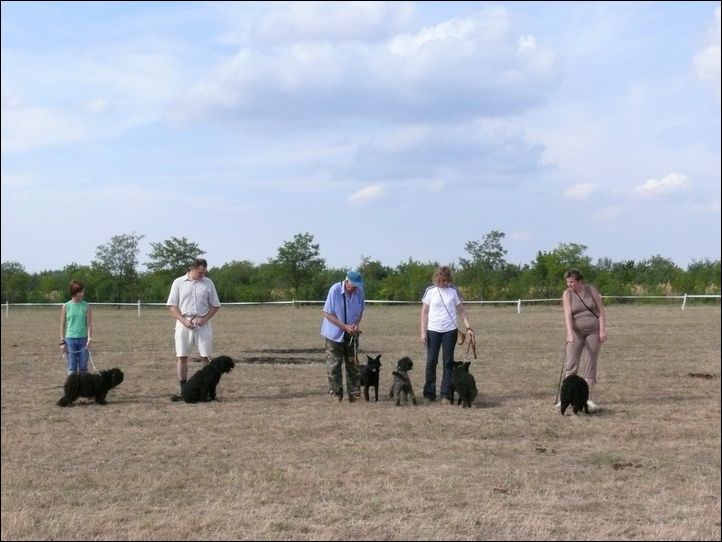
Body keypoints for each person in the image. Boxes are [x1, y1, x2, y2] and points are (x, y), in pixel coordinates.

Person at [420, 265, 474, 405]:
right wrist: (423, 332)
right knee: (431, 362)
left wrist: (468, 327)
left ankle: (445, 394)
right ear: (437, 278)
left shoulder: (453, 291)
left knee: (448, 363)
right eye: (441, 280)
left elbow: (461, 311)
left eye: (446, 280)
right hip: (433, 330)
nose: (443, 282)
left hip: (450, 331)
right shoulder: (430, 291)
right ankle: (429, 393)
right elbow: (424, 313)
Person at [166, 258, 221, 393]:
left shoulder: (208, 283)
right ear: (192, 269)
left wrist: (204, 319)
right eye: (200, 272)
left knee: (205, 356)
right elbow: (172, 306)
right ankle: (183, 389)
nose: (203, 275)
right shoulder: (178, 282)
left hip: (203, 324)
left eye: (204, 272)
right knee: (182, 356)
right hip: (183, 323)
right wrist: (183, 321)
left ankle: (206, 388)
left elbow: (215, 305)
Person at [559, 268, 607, 412]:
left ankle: (588, 398)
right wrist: (569, 334)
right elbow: (567, 315)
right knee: (571, 364)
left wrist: (602, 330)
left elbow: (600, 310)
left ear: (580, 281)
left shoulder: (591, 290)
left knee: (590, 363)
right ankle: (565, 397)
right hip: (576, 332)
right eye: (567, 282)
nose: (569, 284)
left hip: (593, 331)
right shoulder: (567, 294)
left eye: (572, 282)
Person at [321, 270, 365, 402]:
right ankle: (336, 395)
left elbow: (360, 311)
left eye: (358, 286)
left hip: (352, 335)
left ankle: (355, 395)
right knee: (334, 366)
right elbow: (327, 313)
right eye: (354, 285)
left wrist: (356, 324)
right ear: (347, 282)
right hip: (334, 335)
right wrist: (344, 326)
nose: (355, 288)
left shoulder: (360, 292)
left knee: (353, 365)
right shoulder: (335, 290)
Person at [59, 280, 93, 375]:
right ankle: (72, 384)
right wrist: (62, 342)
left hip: (83, 340)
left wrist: (89, 339)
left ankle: (83, 384)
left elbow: (89, 324)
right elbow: (62, 325)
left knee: (83, 367)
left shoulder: (87, 306)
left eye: (83, 291)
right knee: (72, 368)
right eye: (80, 292)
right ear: (73, 292)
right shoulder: (66, 306)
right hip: (70, 340)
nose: (82, 294)